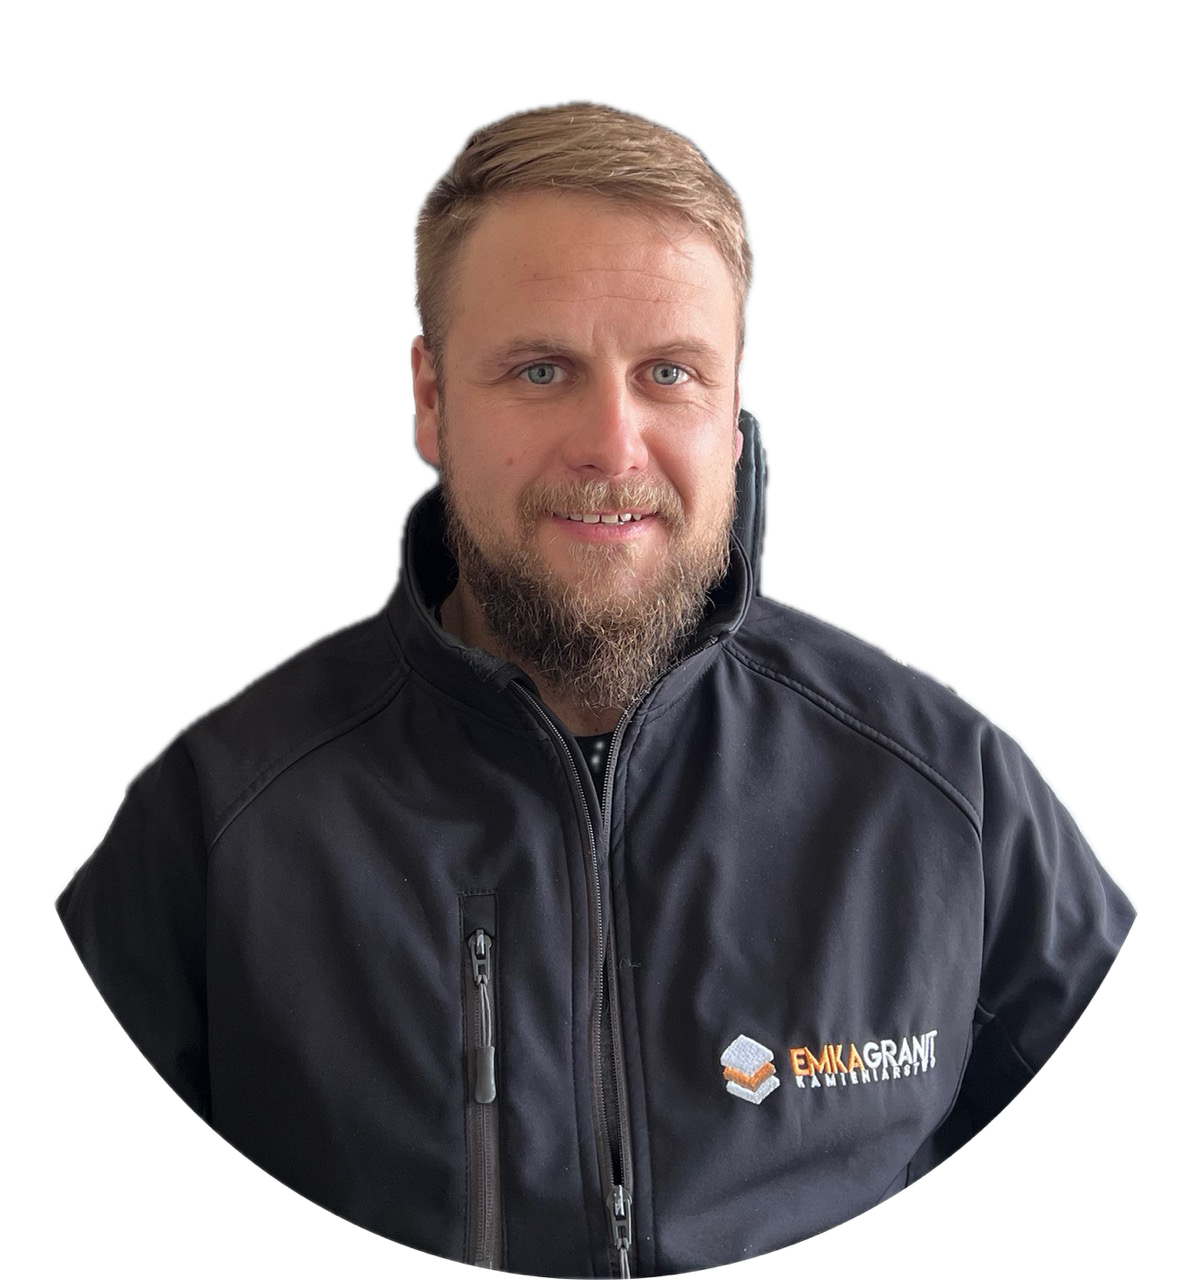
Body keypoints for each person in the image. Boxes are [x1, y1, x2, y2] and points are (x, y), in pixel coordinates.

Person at [53, 101, 1139, 1276]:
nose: (613, 446)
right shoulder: (214, 818)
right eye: (541, 369)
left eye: (669, 371)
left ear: (734, 411)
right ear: (429, 396)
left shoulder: (954, 793)